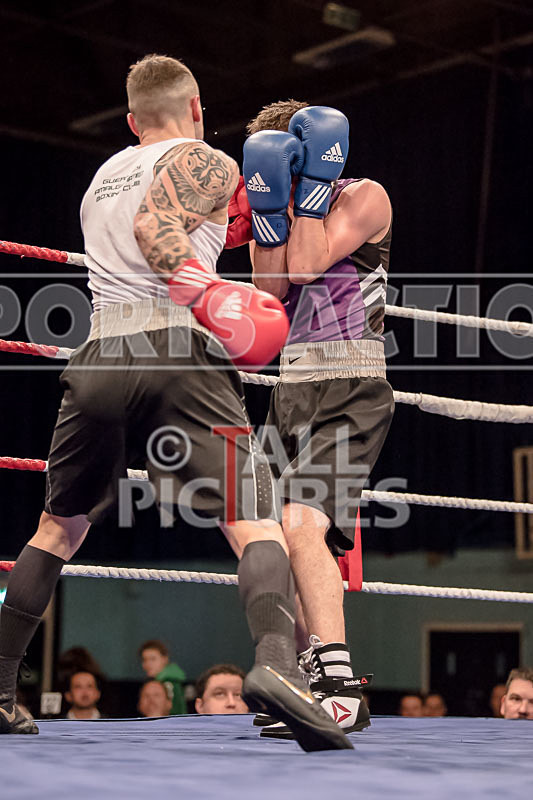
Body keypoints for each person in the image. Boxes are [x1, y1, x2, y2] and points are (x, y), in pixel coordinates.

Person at [0, 55, 351, 752]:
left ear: (132, 120)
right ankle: (278, 672)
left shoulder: (101, 178)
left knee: (57, 529)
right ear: (196, 108)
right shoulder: (207, 161)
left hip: (100, 357)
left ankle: (0, 689)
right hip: (176, 349)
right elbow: (156, 232)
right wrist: (208, 292)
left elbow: (172, 225)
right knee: (254, 523)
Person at [241, 100, 394, 738]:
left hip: (351, 382)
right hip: (291, 385)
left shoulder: (366, 197)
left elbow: (307, 266)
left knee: (304, 518)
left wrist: (305, 196)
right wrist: (272, 210)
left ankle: (339, 688)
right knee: (276, 533)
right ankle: (307, 681)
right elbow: (270, 288)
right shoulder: (270, 206)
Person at [139, 639, 186, 715]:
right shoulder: (163, 681)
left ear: (165, 659)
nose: (148, 664)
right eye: (144, 660)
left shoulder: (169, 683)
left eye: (153, 659)